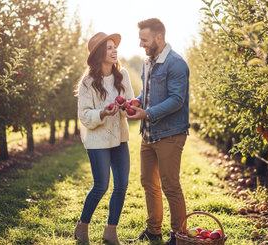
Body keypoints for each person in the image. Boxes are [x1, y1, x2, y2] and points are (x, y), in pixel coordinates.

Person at [125, 18, 190, 245]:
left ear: (159, 37)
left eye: (144, 39)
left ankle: (178, 236)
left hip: (170, 134)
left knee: (170, 185)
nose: (141, 43)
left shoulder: (176, 63)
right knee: (148, 183)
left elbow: (176, 100)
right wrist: (135, 102)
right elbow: (147, 94)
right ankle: (154, 231)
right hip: (149, 134)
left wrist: (146, 113)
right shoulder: (148, 62)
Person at [74, 32, 134, 245]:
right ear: (99, 53)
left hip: (120, 138)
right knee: (101, 186)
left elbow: (129, 107)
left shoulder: (122, 75)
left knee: (122, 185)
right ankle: (82, 226)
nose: (114, 50)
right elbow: (84, 115)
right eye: (109, 47)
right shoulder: (88, 82)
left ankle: (111, 230)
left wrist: (128, 107)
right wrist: (103, 112)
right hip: (97, 140)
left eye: (114, 47)